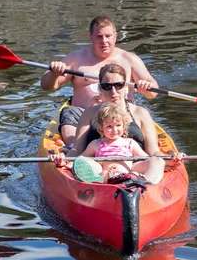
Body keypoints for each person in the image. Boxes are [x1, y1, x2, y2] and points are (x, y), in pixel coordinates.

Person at [51, 63, 184, 185]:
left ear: (126, 86)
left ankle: (143, 184)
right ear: (100, 88)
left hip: (133, 166)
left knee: (157, 161)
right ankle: (97, 180)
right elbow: (78, 148)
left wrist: (170, 159)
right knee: (82, 162)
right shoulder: (90, 113)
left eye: (118, 85)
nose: (113, 91)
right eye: (107, 86)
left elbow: (153, 151)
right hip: (99, 166)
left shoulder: (140, 113)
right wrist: (66, 160)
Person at [41, 16, 159, 146]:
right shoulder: (75, 59)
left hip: (121, 114)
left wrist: (147, 87)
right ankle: (75, 147)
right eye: (99, 37)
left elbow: (153, 92)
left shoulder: (129, 59)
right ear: (91, 37)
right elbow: (47, 86)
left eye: (108, 36)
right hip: (83, 114)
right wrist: (54, 74)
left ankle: (139, 147)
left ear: (115, 36)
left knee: (142, 111)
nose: (104, 41)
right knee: (69, 112)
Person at [67, 101, 150, 183]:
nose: (114, 130)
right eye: (109, 126)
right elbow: (80, 159)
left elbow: (146, 158)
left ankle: (147, 180)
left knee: (156, 161)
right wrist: (69, 163)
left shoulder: (130, 143)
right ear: (101, 127)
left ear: (124, 126)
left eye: (118, 125)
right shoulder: (96, 144)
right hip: (104, 172)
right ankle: (105, 178)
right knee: (85, 161)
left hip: (127, 172)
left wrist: (156, 161)